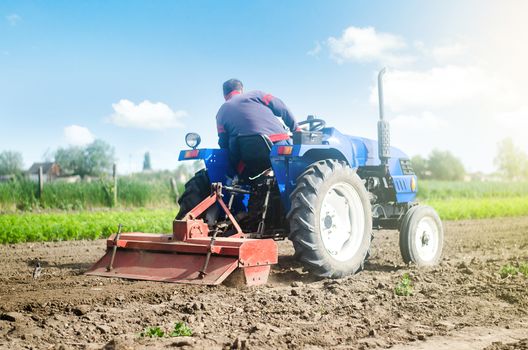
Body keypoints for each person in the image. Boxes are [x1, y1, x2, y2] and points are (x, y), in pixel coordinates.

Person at [215, 79, 299, 150]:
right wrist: (296, 129)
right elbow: (282, 108)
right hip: (277, 143)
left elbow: (223, 141)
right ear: (241, 90)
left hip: (247, 155)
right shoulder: (257, 94)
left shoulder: (220, 114)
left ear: (224, 95)